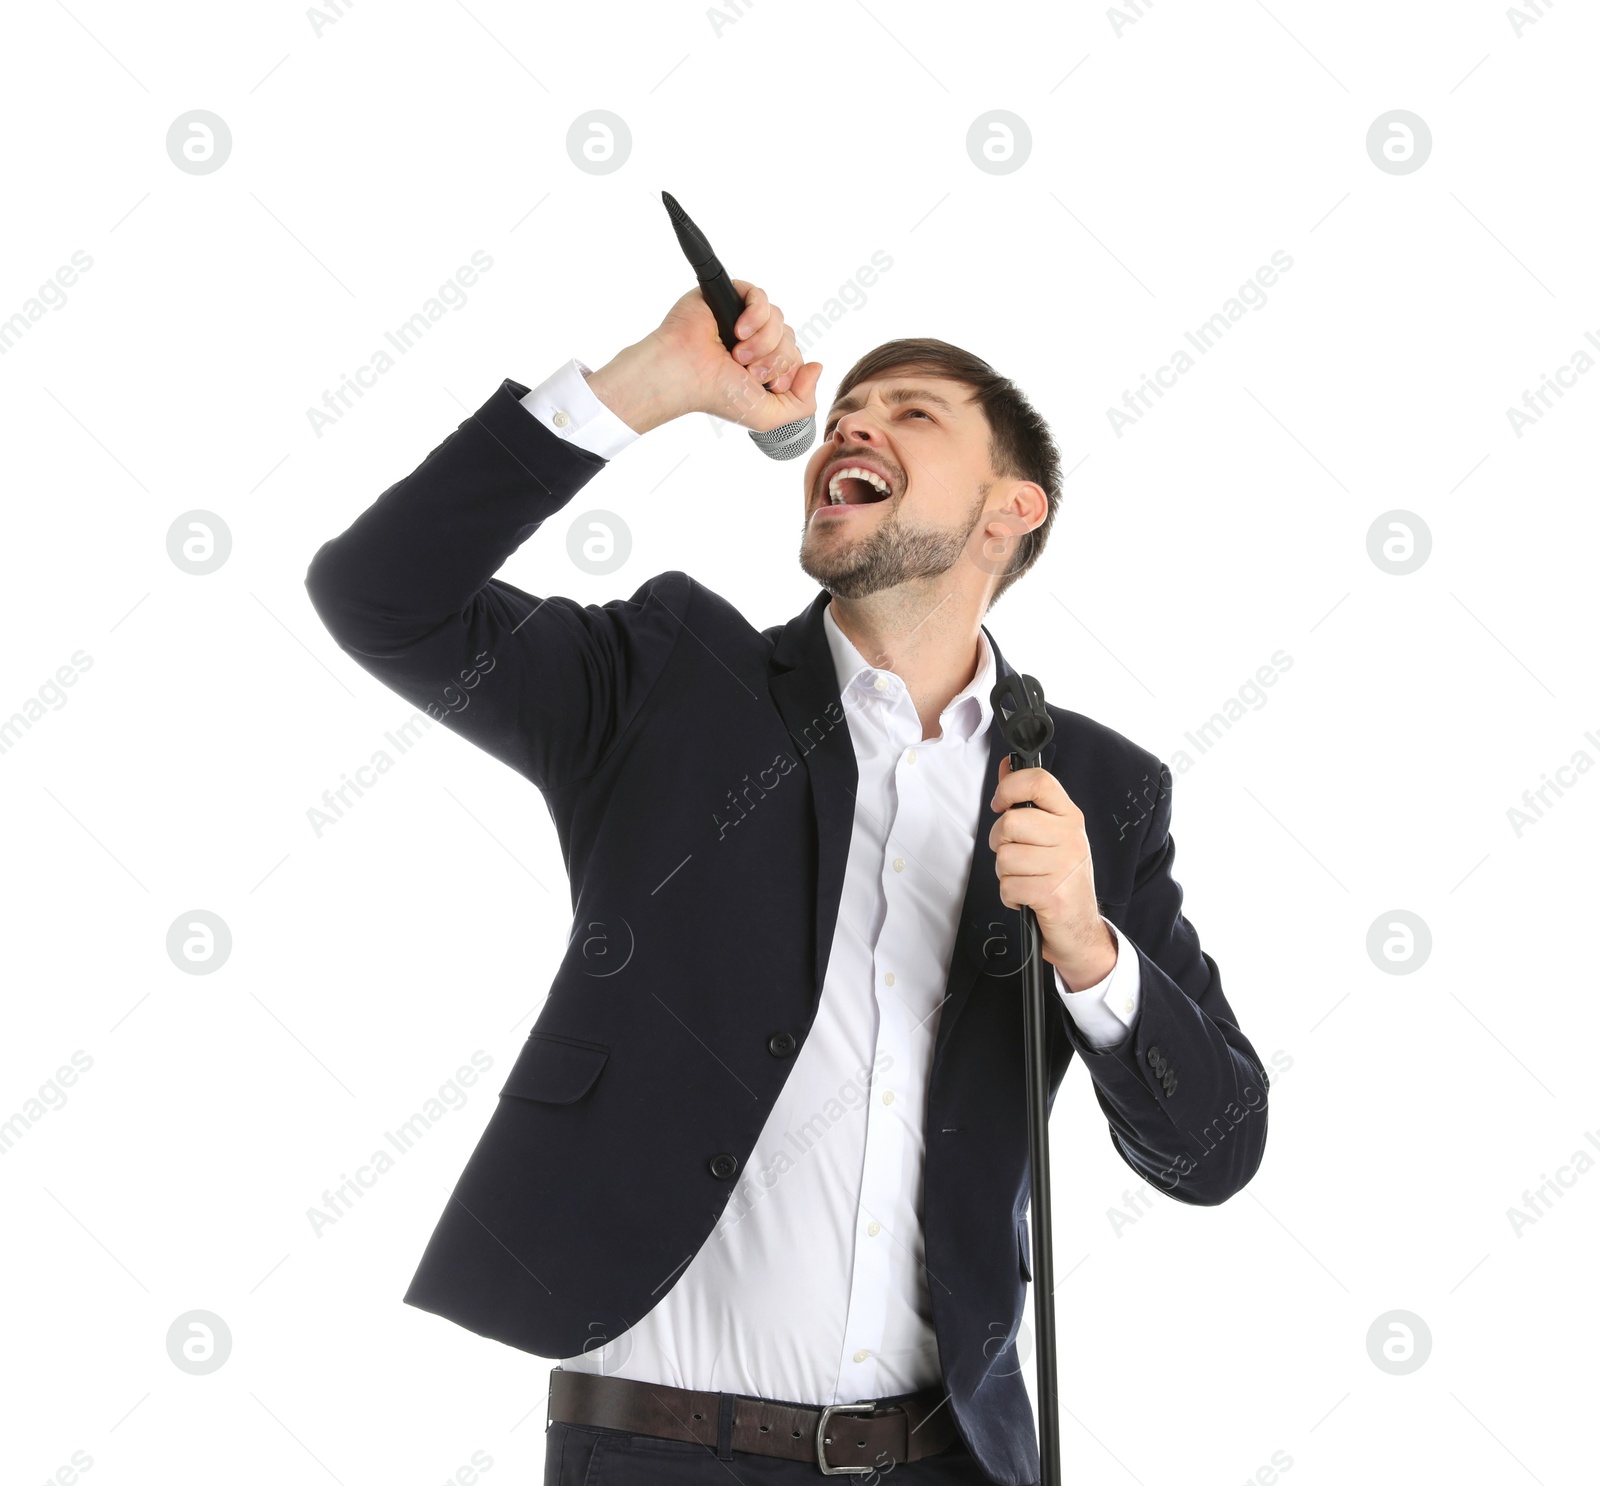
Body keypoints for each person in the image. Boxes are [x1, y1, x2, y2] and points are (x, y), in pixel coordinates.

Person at [304, 277, 1269, 1486]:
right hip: (664, 1454)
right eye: (846, 411)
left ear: (1009, 510)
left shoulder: (1092, 786)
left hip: (950, 1459)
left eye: (911, 413)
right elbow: (380, 595)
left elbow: (1216, 1148)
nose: (852, 426)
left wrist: (1086, 944)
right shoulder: (668, 680)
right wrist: (640, 390)